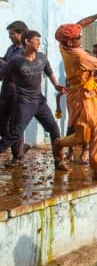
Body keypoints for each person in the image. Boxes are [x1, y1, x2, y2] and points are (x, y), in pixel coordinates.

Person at [53, 7, 97, 181]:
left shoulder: (63, 45)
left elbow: (80, 24)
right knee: (88, 134)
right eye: (79, 38)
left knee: (90, 134)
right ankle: (60, 144)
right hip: (82, 96)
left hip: (84, 92)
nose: (82, 37)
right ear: (71, 42)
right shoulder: (79, 56)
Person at [0, 30, 65, 168]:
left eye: (39, 40)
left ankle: (59, 161)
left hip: (39, 101)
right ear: (27, 41)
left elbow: (48, 70)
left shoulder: (42, 57)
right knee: (15, 133)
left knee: (54, 129)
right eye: (36, 40)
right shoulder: (16, 61)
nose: (39, 43)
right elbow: (1, 74)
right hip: (24, 102)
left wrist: (56, 85)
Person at [0, 20, 28, 164]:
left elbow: (21, 69)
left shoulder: (27, 50)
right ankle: (18, 146)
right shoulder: (12, 48)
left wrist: (5, 65)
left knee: (15, 125)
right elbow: (6, 62)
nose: (10, 36)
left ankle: (19, 156)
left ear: (21, 33)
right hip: (6, 90)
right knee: (1, 123)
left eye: (12, 33)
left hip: (18, 92)